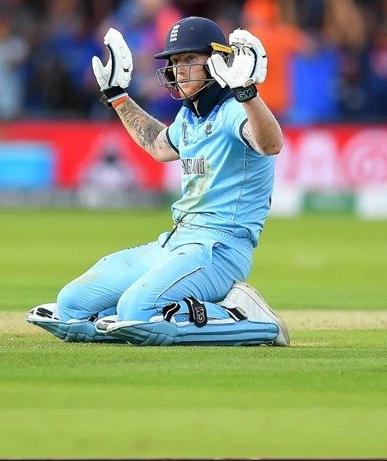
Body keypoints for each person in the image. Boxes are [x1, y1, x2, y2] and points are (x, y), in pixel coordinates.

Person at [25, 16, 290, 346]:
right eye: (175, 61)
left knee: (138, 310)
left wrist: (247, 93)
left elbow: (271, 144)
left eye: (190, 58)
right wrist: (118, 96)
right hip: (176, 243)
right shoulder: (190, 115)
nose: (180, 69)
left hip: (220, 250)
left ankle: (249, 318)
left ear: (218, 60)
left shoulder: (234, 109)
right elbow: (159, 146)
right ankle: (139, 319)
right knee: (71, 306)